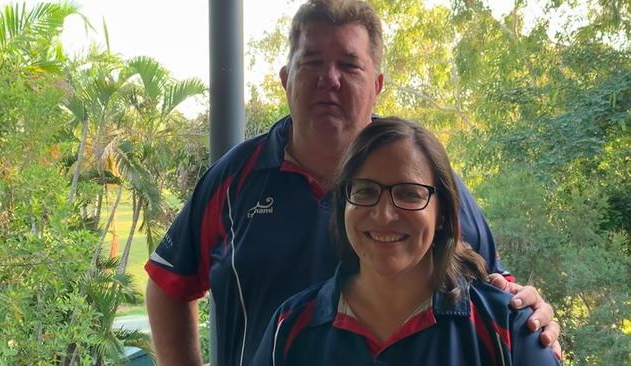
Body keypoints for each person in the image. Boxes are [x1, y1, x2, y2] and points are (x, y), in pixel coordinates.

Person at [145, 1, 560, 365]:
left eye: (349, 64)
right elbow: (169, 283)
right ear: (286, 78)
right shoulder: (235, 178)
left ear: (376, 85)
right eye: (312, 63)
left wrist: (529, 316)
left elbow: (490, 283)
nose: (330, 78)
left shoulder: (425, 179)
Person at [250, 117, 560, 366]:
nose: (384, 215)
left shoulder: (507, 328)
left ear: (442, 214)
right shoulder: (290, 327)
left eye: (409, 193)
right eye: (365, 191)